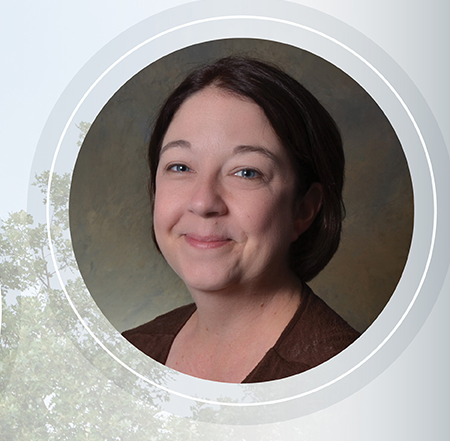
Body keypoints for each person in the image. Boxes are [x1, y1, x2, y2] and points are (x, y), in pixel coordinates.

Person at [122, 56, 359, 383]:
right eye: (180, 167)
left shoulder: (346, 378)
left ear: (303, 210)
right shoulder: (129, 353)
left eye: (247, 172)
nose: (203, 202)